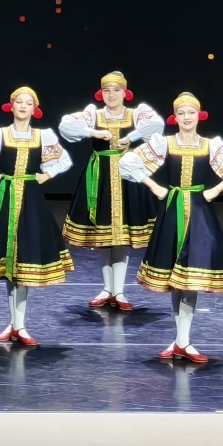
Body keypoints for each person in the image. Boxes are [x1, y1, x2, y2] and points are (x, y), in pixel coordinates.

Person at [120, 93, 223, 363]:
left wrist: (216, 189)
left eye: (190, 112)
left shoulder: (210, 145)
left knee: (191, 277)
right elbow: (128, 162)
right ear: (175, 117)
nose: (186, 117)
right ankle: (181, 341)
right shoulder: (165, 143)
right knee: (175, 278)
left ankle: (183, 341)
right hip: (172, 210)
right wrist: (154, 186)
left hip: (199, 212)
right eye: (181, 113)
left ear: (199, 115)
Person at [0, 86, 73, 347]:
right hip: (6, 200)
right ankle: (14, 324)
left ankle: (19, 324)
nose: (23, 106)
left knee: (25, 261)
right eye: (19, 102)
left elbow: (63, 159)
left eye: (28, 103)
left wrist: (47, 174)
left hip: (31, 202)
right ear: (11, 106)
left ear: (35, 109)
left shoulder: (42, 136)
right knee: (9, 262)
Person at [59, 71, 164, 311]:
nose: (112, 95)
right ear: (101, 93)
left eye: (116, 90)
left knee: (122, 237)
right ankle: (108, 288)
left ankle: (119, 291)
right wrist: (93, 132)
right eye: (107, 90)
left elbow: (157, 124)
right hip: (101, 178)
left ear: (125, 92)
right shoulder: (94, 115)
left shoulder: (135, 114)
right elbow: (66, 125)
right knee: (104, 236)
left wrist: (131, 137)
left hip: (128, 177)